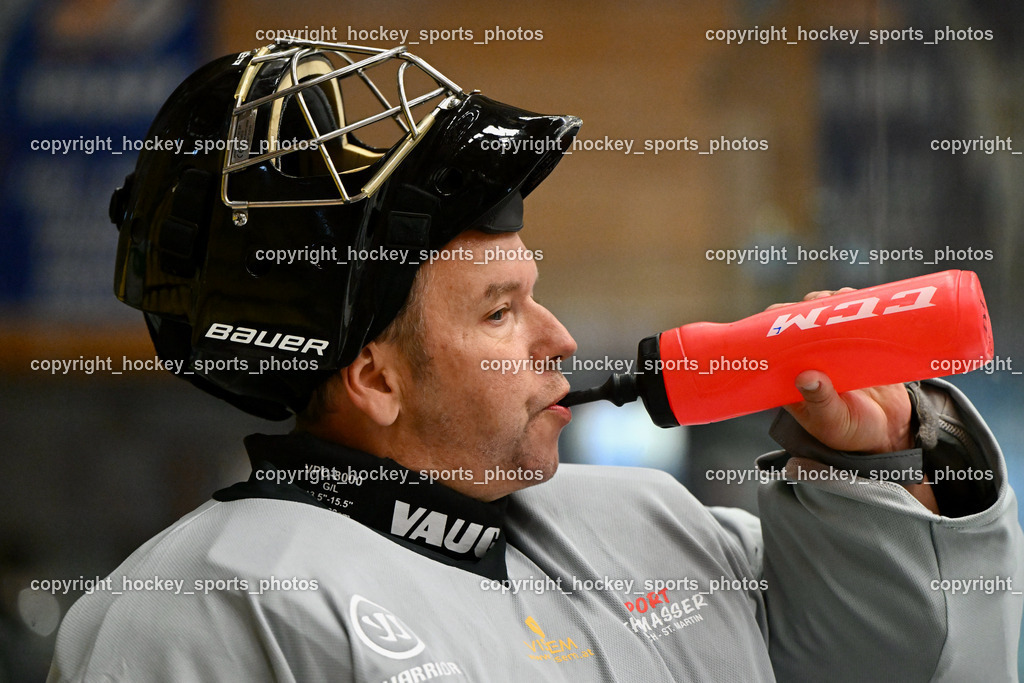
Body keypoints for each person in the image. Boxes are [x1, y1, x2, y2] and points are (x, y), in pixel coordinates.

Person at [49, 41, 1023, 682]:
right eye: (500, 309)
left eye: (533, 290)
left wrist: (877, 460)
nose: (556, 337)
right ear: (374, 376)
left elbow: (919, 661)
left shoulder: (652, 523)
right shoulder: (196, 614)